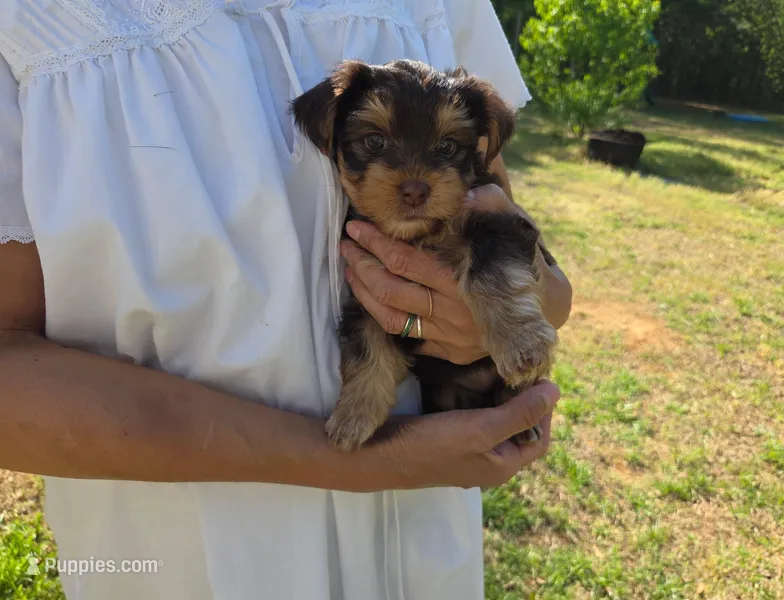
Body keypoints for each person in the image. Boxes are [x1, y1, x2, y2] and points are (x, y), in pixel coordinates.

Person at [0, 1, 572, 599]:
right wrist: (365, 461)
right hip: (178, 551)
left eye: (445, 150)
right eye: (373, 141)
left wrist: (510, 318)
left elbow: (516, 235)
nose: (412, 178)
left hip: (420, 534)